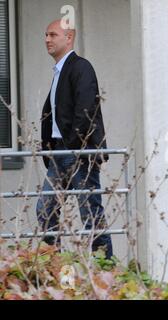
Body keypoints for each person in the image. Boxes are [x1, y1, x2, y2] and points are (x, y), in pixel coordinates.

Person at [36, 19, 113, 259]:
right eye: (46, 35)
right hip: (60, 153)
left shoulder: (80, 67)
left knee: (90, 212)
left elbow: (85, 111)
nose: (47, 39)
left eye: (53, 34)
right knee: (45, 210)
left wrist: (73, 146)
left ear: (69, 38)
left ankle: (105, 268)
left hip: (78, 153)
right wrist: (52, 150)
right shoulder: (60, 71)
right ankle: (56, 265)